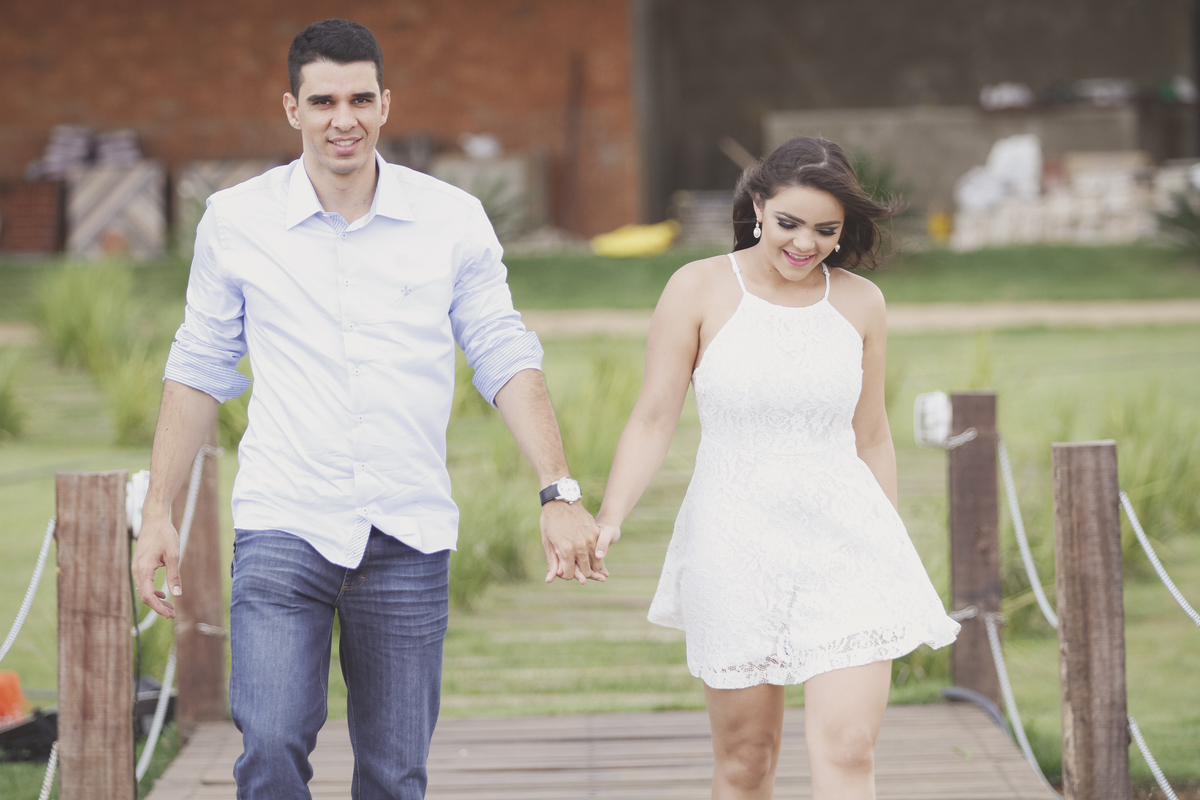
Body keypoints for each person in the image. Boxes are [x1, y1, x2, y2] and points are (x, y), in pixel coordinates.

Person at [131, 18, 604, 800]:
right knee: (270, 747)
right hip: (285, 520)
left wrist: (559, 490)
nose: (342, 119)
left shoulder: (451, 219)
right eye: (323, 101)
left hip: (406, 531)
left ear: (386, 104)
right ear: (292, 109)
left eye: (359, 99)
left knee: (394, 775)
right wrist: (158, 514)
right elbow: (198, 370)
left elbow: (502, 351)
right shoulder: (237, 221)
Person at [593, 137, 960, 799]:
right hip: (735, 542)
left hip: (845, 543)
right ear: (758, 205)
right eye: (790, 223)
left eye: (826, 231)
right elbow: (653, 416)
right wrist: (612, 515)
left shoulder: (862, 302)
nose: (805, 244)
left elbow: (872, 435)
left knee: (850, 747)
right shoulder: (697, 287)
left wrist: (886, 544)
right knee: (747, 759)